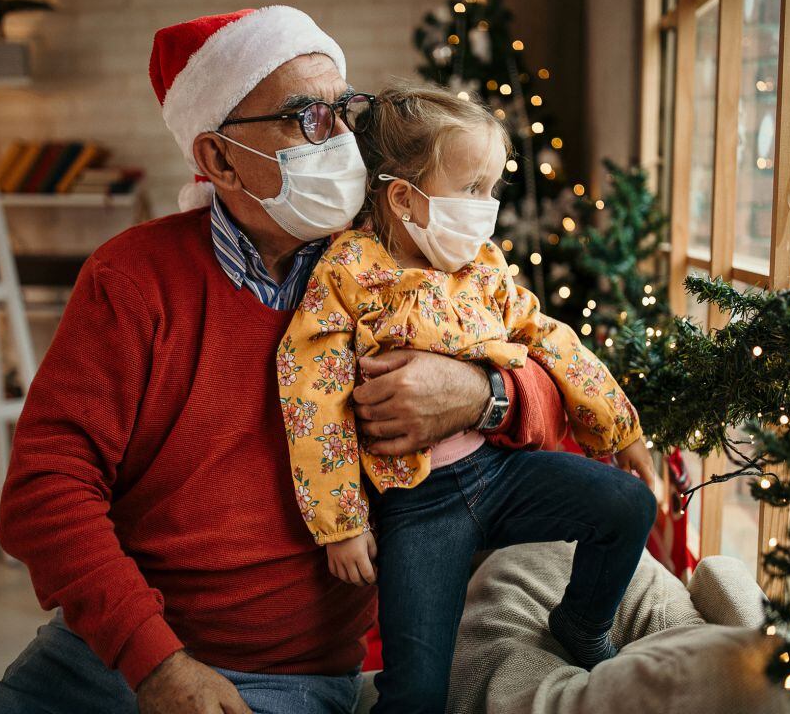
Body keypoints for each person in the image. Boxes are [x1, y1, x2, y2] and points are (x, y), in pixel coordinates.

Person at [0, 8, 574, 714]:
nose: (346, 140)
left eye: (345, 111)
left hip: (296, 676)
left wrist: (483, 395)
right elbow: (45, 494)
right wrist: (157, 663)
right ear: (218, 159)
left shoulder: (406, 261)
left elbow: (559, 374)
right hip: (115, 656)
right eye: (307, 118)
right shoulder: (132, 280)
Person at [277, 85, 658, 714]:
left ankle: (581, 625)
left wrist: (621, 428)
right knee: (419, 691)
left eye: (493, 189)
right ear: (403, 199)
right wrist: (340, 523)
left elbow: (550, 340)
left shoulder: (482, 267)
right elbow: (312, 396)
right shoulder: (348, 275)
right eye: (472, 189)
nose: (488, 209)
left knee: (626, 506)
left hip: (500, 471)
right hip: (417, 507)